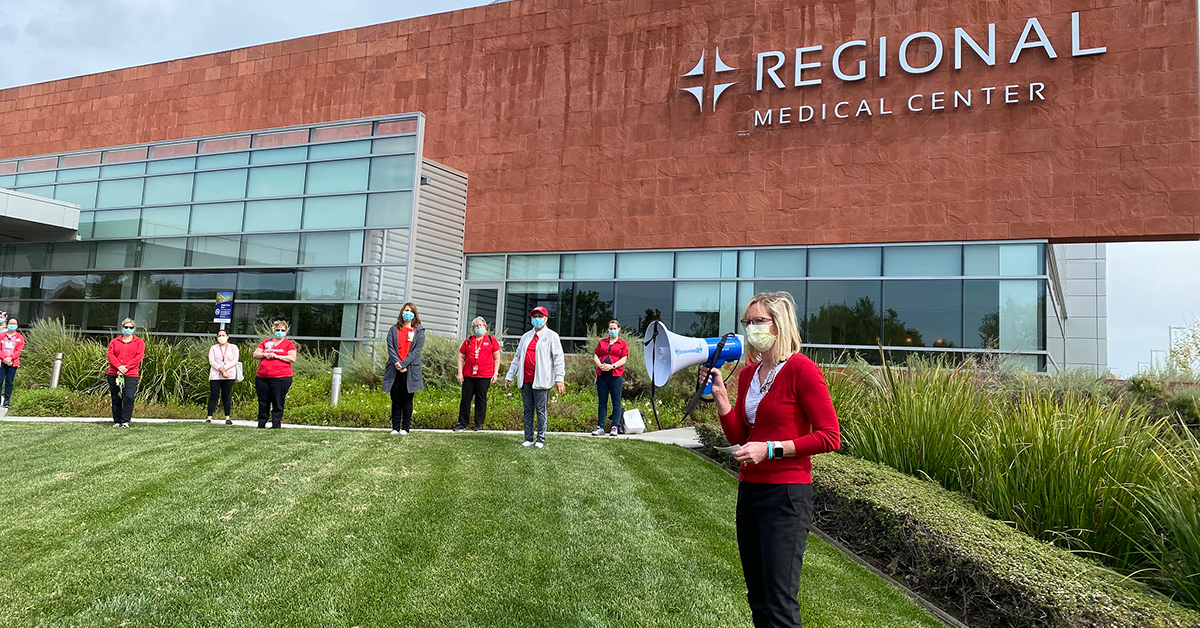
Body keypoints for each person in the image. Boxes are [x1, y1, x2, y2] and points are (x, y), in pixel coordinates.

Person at [705, 291, 841, 628]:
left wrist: (770, 449)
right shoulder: (750, 374)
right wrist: (722, 398)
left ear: (779, 325)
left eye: (758, 321)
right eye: (747, 322)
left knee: (779, 601)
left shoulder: (802, 370)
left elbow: (829, 436)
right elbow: (740, 435)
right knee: (758, 597)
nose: (751, 328)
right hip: (750, 492)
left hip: (786, 496)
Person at [504, 306, 565, 448]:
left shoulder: (552, 336)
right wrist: (510, 375)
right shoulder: (526, 336)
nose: (537, 319)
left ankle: (541, 438)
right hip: (526, 378)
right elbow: (517, 357)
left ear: (545, 318)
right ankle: (528, 437)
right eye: (534, 316)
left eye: (539, 316)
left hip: (542, 380)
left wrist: (559, 379)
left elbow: (558, 359)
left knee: (541, 410)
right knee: (527, 410)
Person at [383, 303, 425, 435]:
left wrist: (404, 364)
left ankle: (405, 428)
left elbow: (417, 350)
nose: (408, 313)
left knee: (407, 399)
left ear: (415, 314)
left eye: (411, 311)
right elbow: (390, 347)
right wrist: (397, 362)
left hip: (410, 370)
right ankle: (395, 428)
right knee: (395, 398)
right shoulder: (393, 329)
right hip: (394, 369)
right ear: (402, 312)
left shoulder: (419, 331)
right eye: (406, 310)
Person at [455, 317, 500, 431]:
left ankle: (478, 424)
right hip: (469, 375)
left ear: (485, 327)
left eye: (480, 325)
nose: (478, 328)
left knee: (481, 399)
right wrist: (460, 373)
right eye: (476, 326)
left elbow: (497, 358)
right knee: (465, 399)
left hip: (484, 375)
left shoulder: (491, 340)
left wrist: (495, 373)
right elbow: (461, 357)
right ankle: (462, 423)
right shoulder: (469, 340)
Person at [252, 320, 297, 429]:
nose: (280, 332)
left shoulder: (289, 344)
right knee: (263, 401)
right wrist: (265, 354)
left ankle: (276, 425)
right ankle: (261, 424)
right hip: (262, 377)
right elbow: (255, 354)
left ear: (286, 331)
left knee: (278, 401)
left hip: (281, 378)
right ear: (273, 330)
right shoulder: (266, 342)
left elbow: (292, 358)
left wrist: (277, 356)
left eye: (282, 330)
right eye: (277, 330)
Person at [591, 319, 628, 437]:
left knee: (616, 402)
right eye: (610, 328)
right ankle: (600, 426)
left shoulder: (622, 343)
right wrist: (600, 365)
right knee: (602, 402)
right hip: (602, 375)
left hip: (615, 375)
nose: (612, 331)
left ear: (618, 330)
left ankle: (614, 426)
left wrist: (612, 366)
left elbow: (624, 359)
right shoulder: (602, 342)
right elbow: (596, 355)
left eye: (614, 329)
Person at [106, 318, 146, 428]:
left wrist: (126, 368)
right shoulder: (114, 342)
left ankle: (125, 421)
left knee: (129, 397)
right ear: (122, 328)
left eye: (130, 328)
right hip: (114, 373)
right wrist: (118, 366)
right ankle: (117, 421)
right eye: (126, 327)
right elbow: (110, 355)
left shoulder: (139, 342)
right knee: (116, 397)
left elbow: (138, 357)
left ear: (134, 329)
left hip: (131, 374)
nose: (128, 329)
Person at [206, 329, 239, 425]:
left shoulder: (233, 347)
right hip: (215, 376)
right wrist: (221, 369)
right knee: (214, 395)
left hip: (229, 375)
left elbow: (234, 360)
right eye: (219, 335)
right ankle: (209, 417)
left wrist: (225, 369)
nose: (221, 337)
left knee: (226, 396)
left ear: (227, 337)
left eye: (223, 335)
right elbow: (212, 361)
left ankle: (227, 417)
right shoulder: (213, 348)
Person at [0, 317, 26, 409]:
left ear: (17, 326)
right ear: (7, 324)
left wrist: (11, 358)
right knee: (0, 381)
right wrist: (4, 358)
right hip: (2, 362)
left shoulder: (19, 338)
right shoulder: (2, 336)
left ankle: (7, 401)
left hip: (13, 363)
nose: (12, 325)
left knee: (9, 382)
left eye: (14, 324)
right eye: (10, 323)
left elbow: (19, 350)